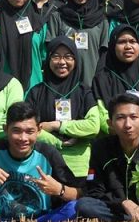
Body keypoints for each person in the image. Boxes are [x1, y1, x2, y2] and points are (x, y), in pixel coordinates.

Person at [75, 94, 139, 222]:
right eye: (120, 118)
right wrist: (123, 203)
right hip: (116, 210)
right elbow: (94, 191)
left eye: (134, 117)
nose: (127, 124)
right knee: (84, 205)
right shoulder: (100, 148)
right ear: (110, 123)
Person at [0, 101, 80, 222]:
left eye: (29, 132)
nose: (23, 138)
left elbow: (79, 194)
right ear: (5, 129)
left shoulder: (49, 154)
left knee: (75, 207)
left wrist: (59, 189)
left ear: (39, 130)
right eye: (16, 131)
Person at [25, 37, 100, 179]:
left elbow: (93, 126)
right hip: (44, 165)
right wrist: (58, 142)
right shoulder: (36, 92)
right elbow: (28, 129)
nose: (62, 62)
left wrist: (56, 125)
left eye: (68, 57)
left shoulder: (84, 91)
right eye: (56, 57)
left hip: (78, 168)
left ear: (76, 60)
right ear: (48, 60)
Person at [44, 0, 110, 85]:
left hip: (91, 84)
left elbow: (104, 54)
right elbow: (50, 51)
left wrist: (99, 83)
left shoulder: (101, 20)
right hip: (62, 84)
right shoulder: (58, 17)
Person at [92, 26, 139, 136]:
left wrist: (137, 132)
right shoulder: (102, 78)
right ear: (112, 46)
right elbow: (102, 118)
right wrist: (128, 132)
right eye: (122, 42)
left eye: (132, 41)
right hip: (113, 140)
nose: (128, 46)